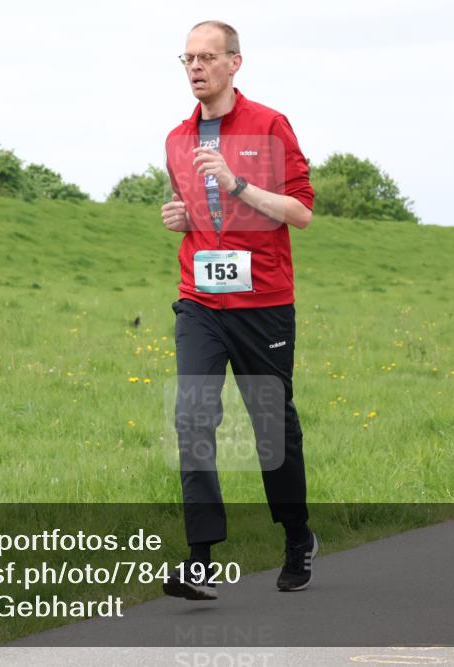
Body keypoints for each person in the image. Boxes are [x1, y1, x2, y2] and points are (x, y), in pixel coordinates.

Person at [159, 20, 316, 600]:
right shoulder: (177, 138)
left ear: (234, 63)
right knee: (193, 420)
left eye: (207, 57)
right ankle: (200, 560)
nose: (195, 67)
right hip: (200, 301)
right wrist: (180, 218)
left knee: (271, 427)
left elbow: (299, 213)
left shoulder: (270, 126)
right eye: (187, 59)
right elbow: (193, 206)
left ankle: (297, 537)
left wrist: (239, 183)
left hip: (264, 304)